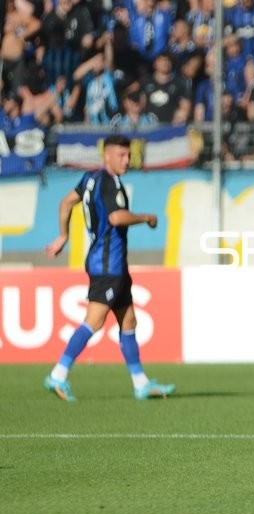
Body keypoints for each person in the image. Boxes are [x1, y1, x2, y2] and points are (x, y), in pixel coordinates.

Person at [43, 135, 176, 402]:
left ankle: (140, 383)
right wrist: (145, 217)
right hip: (108, 265)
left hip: (110, 263)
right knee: (94, 321)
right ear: (107, 155)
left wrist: (63, 236)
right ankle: (58, 374)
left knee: (129, 321)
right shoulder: (109, 182)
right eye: (121, 155)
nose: (127, 160)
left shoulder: (89, 179)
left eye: (128, 155)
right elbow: (116, 217)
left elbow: (65, 203)